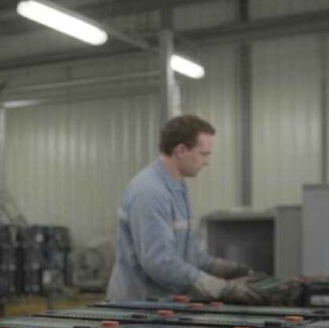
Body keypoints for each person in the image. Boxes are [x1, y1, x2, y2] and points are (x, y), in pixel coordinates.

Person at [106, 114, 263, 304]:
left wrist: (224, 269)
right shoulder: (150, 191)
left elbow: (188, 252)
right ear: (181, 150)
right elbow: (160, 262)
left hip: (163, 304)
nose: (207, 162)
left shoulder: (178, 187)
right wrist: (219, 287)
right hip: (137, 307)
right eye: (203, 154)